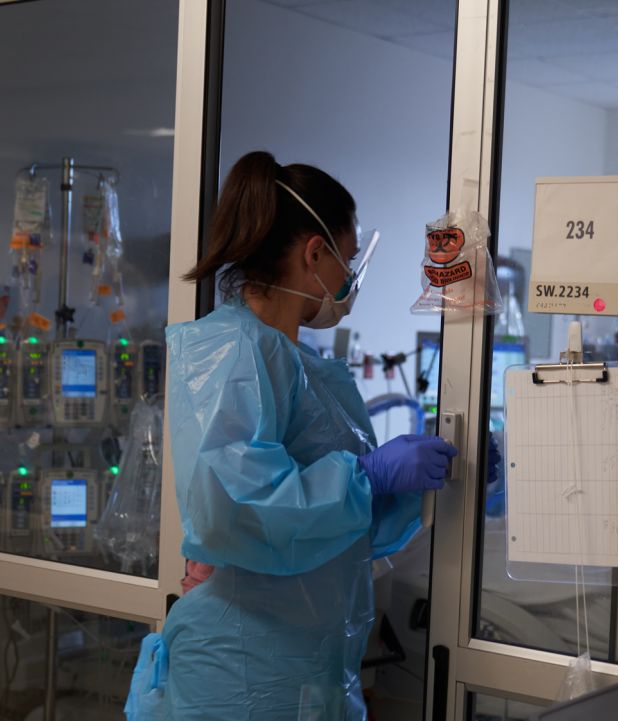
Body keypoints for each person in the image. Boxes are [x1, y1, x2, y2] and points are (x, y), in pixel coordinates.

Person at [126, 151, 457, 720]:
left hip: (303, 668)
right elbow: (236, 507)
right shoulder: (231, 354)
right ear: (313, 254)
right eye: (348, 262)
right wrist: (369, 475)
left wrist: (432, 481)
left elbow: (334, 530)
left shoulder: (303, 367)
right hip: (237, 670)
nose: (350, 281)